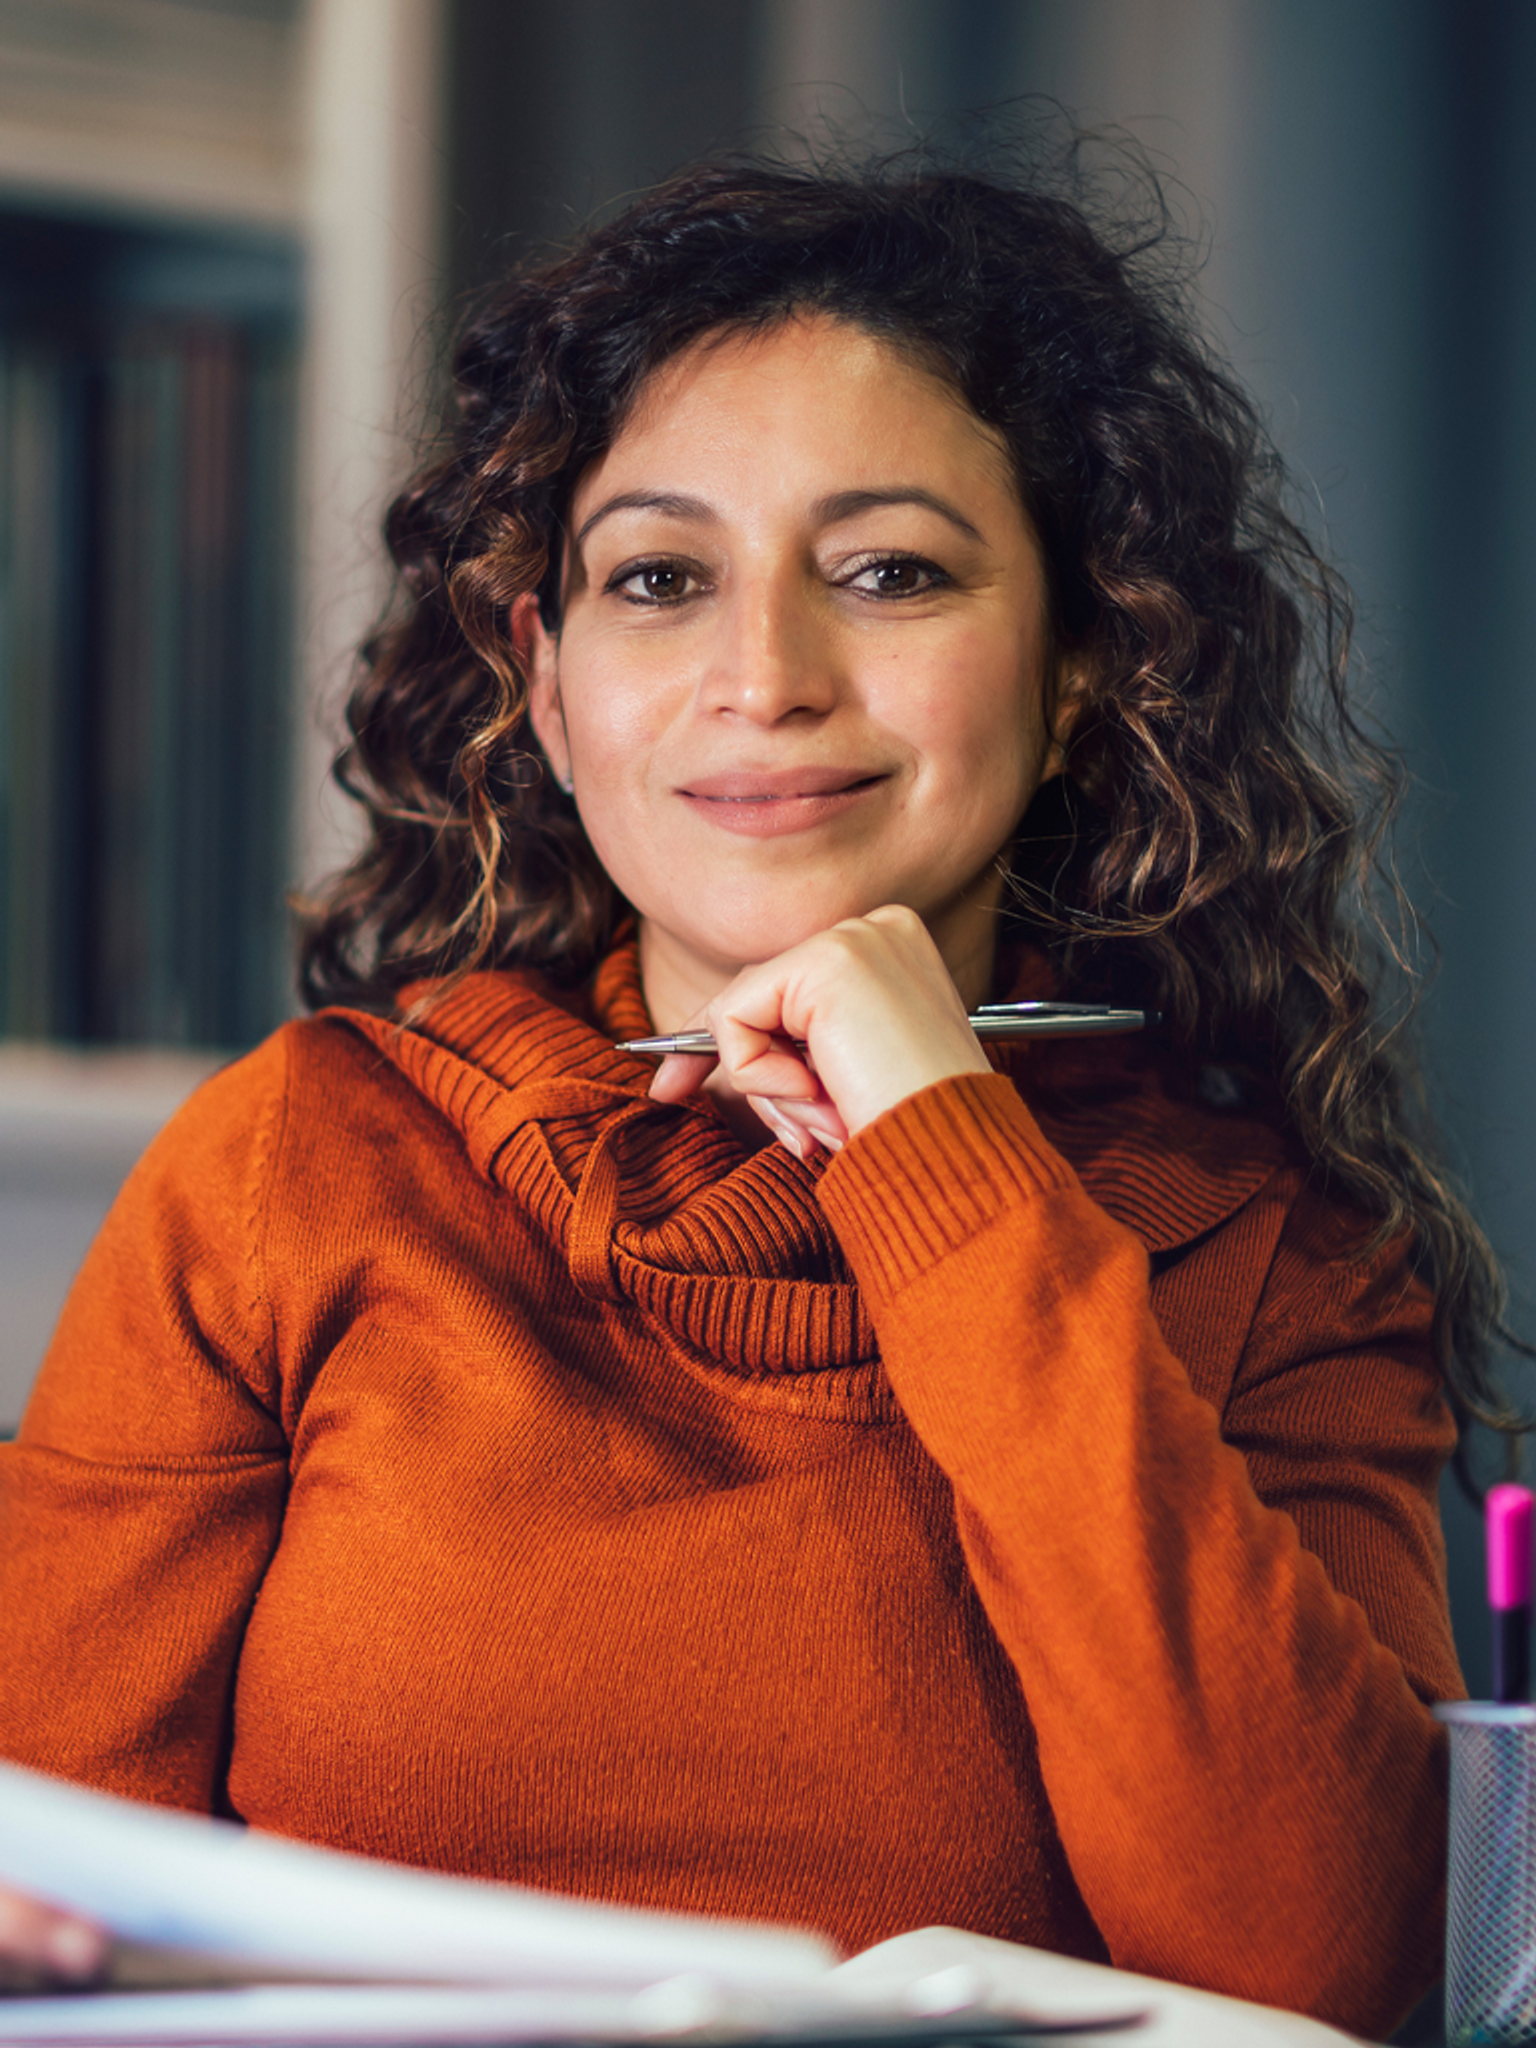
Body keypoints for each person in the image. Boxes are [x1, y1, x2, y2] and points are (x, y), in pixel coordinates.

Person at [0, 144, 1506, 2037]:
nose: (763, 675)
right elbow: (51, 1922)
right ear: (548, 691)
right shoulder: (293, 1164)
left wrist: (946, 1166)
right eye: (658, 579)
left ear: (1074, 672)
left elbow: (1331, 1976)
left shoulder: (1280, 1255)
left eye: (887, 570)